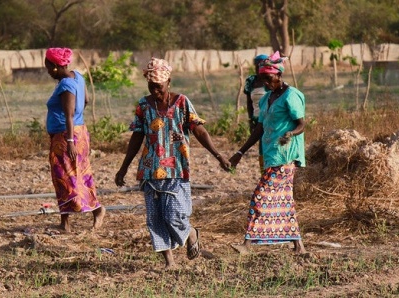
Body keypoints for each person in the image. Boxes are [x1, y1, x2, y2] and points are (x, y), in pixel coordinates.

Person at [114, 57, 231, 269]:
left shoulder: (182, 103)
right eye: (151, 86)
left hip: (176, 168)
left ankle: (191, 233)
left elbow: (198, 130)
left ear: (169, 82)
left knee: (174, 215)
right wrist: (123, 168)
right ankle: (170, 262)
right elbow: (136, 137)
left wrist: (218, 155)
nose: (155, 91)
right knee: (155, 218)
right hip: (150, 170)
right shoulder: (143, 105)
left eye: (158, 87)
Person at [229, 51, 307, 255]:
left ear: (279, 75)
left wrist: (290, 133)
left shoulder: (291, 96)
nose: (265, 82)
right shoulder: (267, 99)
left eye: (269, 78)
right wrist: (240, 152)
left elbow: (301, 124)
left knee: (260, 196)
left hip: (286, 155)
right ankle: (298, 246)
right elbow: (259, 128)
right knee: (284, 200)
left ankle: (247, 244)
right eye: (263, 78)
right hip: (271, 154)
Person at [44, 47, 105, 233]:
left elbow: (69, 114)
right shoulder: (77, 76)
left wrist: (70, 140)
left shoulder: (66, 85)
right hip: (77, 133)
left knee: (65, 177)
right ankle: (67, 221)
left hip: (67, 137)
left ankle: (96, 209)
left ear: (54, 66)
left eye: (47, 66)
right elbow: (85, 100)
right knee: (78, 175)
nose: (47, 70)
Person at [243, 54, 270, 174]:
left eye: (260, 65)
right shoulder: (251, 81)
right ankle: (264, 174)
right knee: (261, 148)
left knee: (269, 146)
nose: (258, 68)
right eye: (256, 65)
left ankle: (270, 174)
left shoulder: (270, 81)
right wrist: (250, 120)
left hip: (269, 119)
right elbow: (249, 102)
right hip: (256, 119)